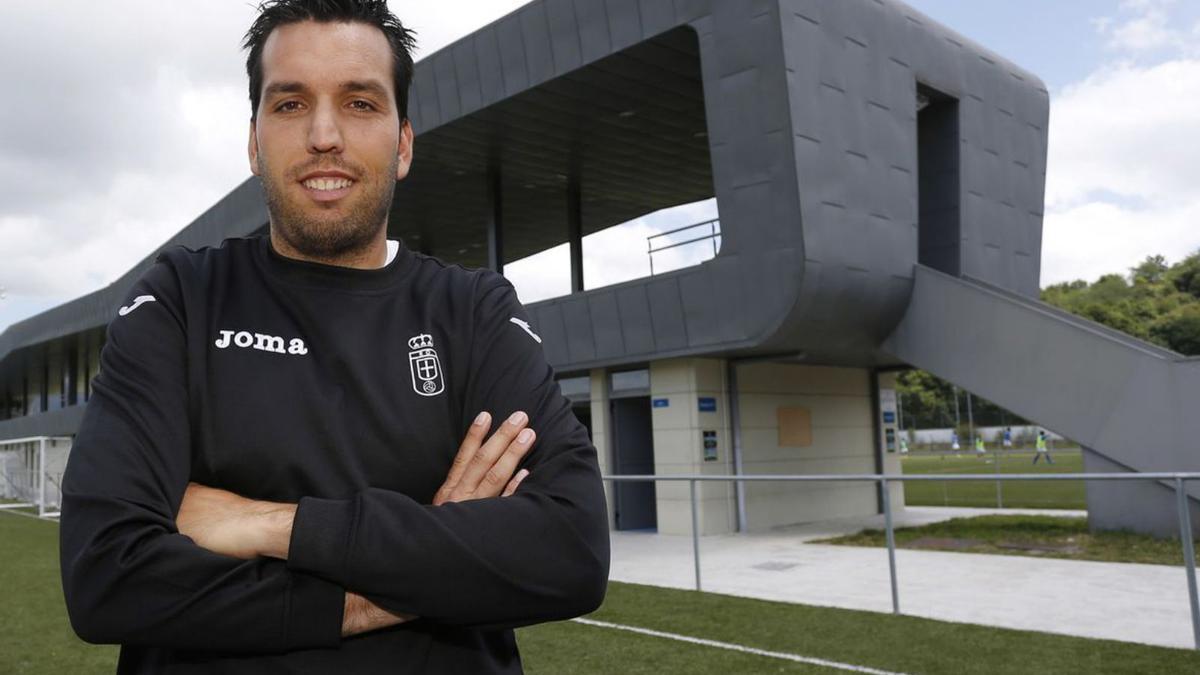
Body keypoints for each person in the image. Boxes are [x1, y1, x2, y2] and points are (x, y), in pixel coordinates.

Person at [58, 2, 609, 672]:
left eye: (359, 103)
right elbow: (107, 574)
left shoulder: (473, 313)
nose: (324, 135)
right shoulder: (180, 299)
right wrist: (427, 565)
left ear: (403, 143)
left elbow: (571, 548)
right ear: (255, 141)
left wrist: (268, 525)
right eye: (290, 105)